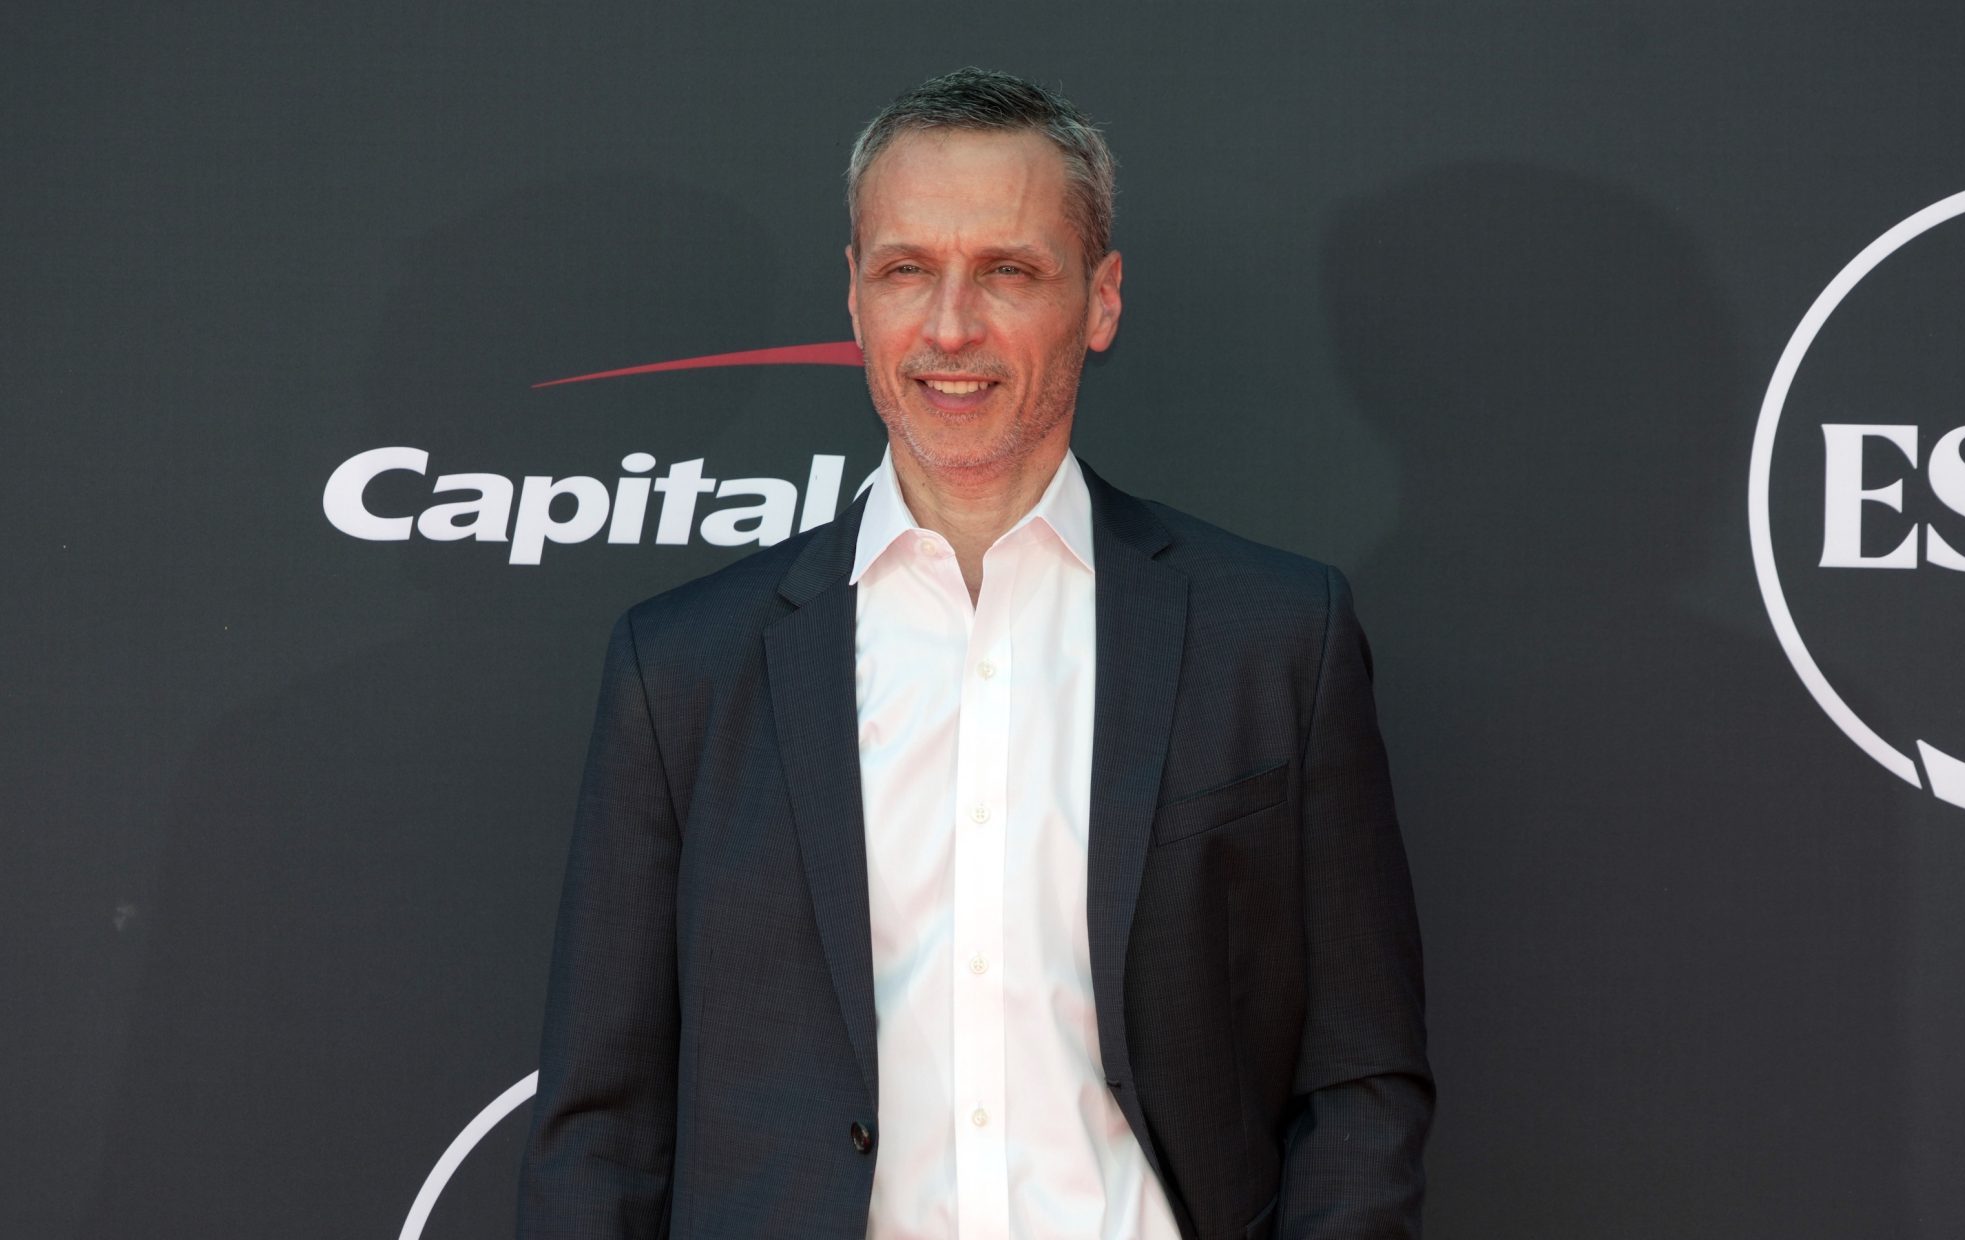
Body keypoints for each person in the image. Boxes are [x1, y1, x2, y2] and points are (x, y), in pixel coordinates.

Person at [517, 67, 1431, 1240]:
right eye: (906, 270)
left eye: (1008, 270)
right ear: (853, 299)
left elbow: (1358, 1080)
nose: (950, 325)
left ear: (1098, 302)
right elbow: (598, 1131)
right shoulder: (681, 669)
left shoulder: (1275, 637)